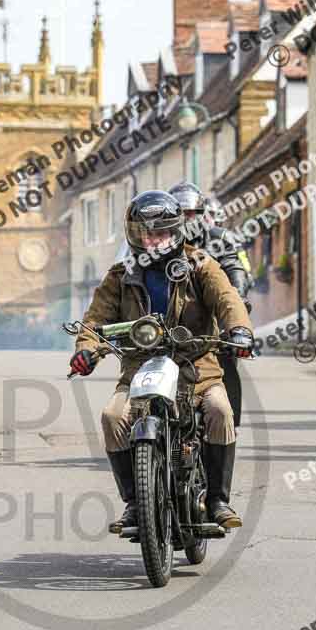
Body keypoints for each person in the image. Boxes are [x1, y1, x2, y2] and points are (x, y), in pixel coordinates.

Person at [69, 191, 254, 533]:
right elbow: (95, 320)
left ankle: (217, 499)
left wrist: (239, 330)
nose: (152, 240)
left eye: (160, 233)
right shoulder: (121, 275)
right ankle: (134, 503)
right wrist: (86, 348)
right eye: (145, 233)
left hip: (197, 370)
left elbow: (228, 299)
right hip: (140, 370)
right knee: (113, 417)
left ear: (176, 231)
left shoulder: (201, 265)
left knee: (220, 411)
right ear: (134, 234)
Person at [169, 182, 253, 428]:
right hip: (172, 315)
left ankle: (226, 428)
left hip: (213, 314)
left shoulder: (219, 238)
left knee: (226, 359)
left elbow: (234, 268)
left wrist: (238, 299)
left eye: (191, 213)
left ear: (201, 214)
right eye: (181, 214)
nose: (187, 219)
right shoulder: (161, 241)